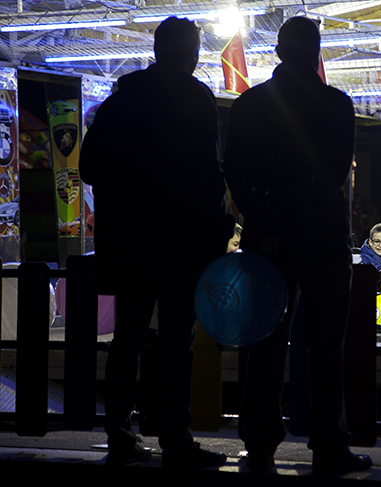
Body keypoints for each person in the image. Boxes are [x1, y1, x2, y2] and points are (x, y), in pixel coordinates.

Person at [79, 17, 232, 468]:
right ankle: (175, 436)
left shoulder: (120, 102)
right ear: (189, 54)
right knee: (176, 341)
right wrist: (215, 225)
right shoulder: (196, 100)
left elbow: (89, 169)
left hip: (129, 243)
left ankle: (119, 433)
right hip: (181, 245)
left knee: (127, 336)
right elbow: (208, 176)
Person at [223, 16, 372, 475]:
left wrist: (262, 217)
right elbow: (331, 174)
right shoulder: (336, 105)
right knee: (327, 344)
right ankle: (328, 442)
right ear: (316, 52)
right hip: (322, 235)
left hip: (268, 236)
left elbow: (235, 170)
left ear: (280, 52)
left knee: (264, 339)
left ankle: (260, 440)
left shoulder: (249, 105)